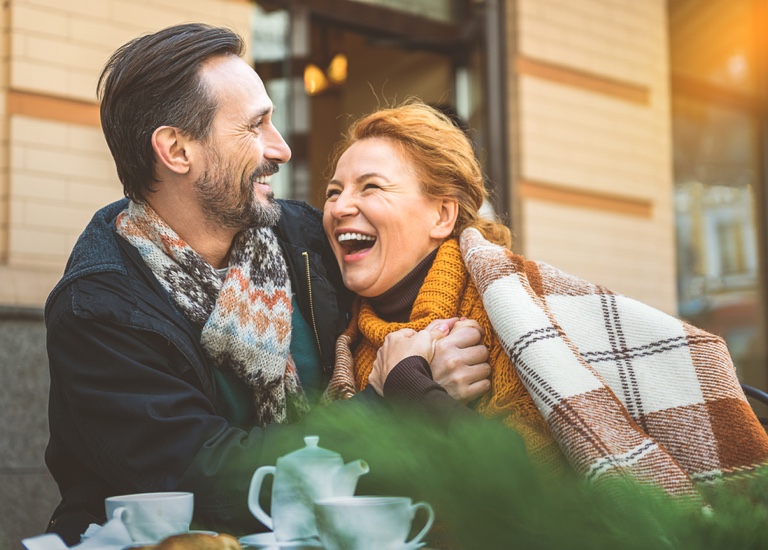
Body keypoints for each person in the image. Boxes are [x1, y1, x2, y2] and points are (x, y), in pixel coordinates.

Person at [43, 24, 490, 545]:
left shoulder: (303, 239)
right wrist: (387, 404)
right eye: (255, 127)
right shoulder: (99, 308)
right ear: (176, 150)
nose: (280, 149)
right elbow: (209, 480)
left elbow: (411, 263)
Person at [322, 100, 768, 497]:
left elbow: (533, 493)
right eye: (333, 191)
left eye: (371, 187)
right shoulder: (341, 337)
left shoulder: (512, 316)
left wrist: (409, 387)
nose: (340, 207)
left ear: (442, 214)